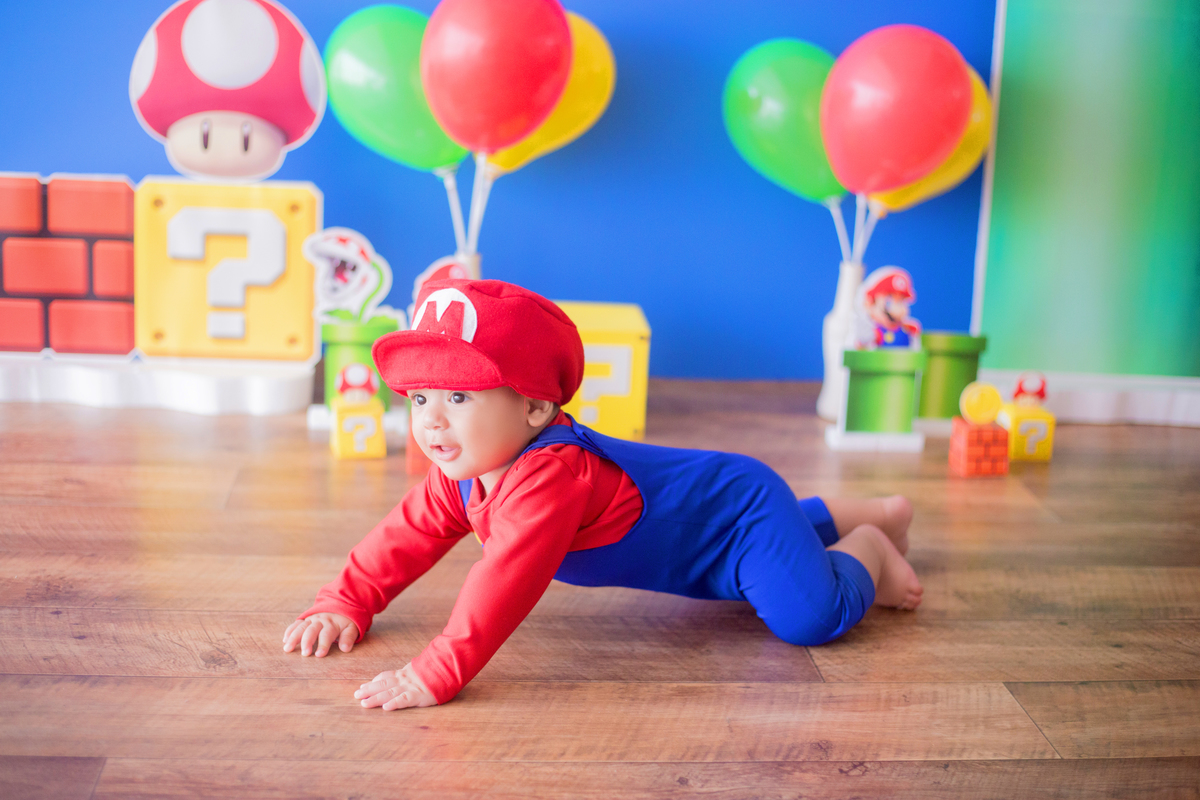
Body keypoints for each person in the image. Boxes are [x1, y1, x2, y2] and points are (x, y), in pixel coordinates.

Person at [283, 279, 923, 710]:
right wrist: (347, 600)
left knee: (809, 618)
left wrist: (435, 671)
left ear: (535, 407)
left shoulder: (549, 475)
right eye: (421, 397)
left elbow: (504, 582)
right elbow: (407, 533)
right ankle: (867, 513)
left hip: (740, 512)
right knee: (770, 561)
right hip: (712, 533)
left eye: (457, 396)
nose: (431, 421)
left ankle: (869, 546)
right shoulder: (464, 469)